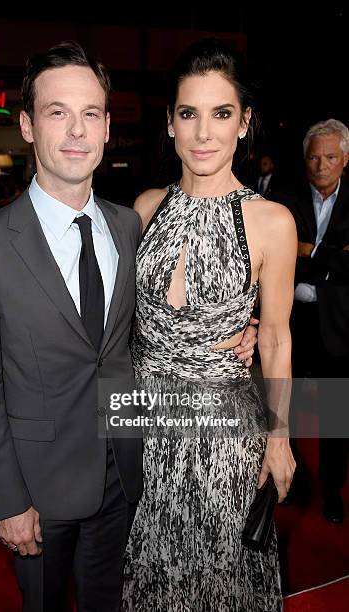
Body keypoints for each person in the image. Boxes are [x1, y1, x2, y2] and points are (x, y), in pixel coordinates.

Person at [0, 41, 258, 612]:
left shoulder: (128, 224)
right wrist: (8, 501)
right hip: (38, 494)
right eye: (56, 112)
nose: (75, 130)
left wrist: (247, 325)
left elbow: (158, 324)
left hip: (129, 475)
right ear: (26, 125)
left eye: (90, 113)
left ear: (107, 127)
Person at [122, 39, 296, 611]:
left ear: (245, 124)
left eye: (221, 114)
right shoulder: (143, 209)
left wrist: (278, 437)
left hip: (226, 438)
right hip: (145, 432)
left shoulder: (272, 222)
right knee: (153, 581)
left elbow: (273, 338)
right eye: (188, 113)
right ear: (170, 123)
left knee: (224, 585)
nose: (203, 133)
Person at [289, 118, 349, 523]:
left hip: (336, 325)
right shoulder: (285, 198)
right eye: (314, 156)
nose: (321, 165)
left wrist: (308, 253)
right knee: (285, 410)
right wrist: (332, 258)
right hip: (291, 322)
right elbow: (273, 258)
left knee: (333, 418)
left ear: (345, 158)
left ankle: (331, 493)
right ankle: (291, 482)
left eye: (330, 156)